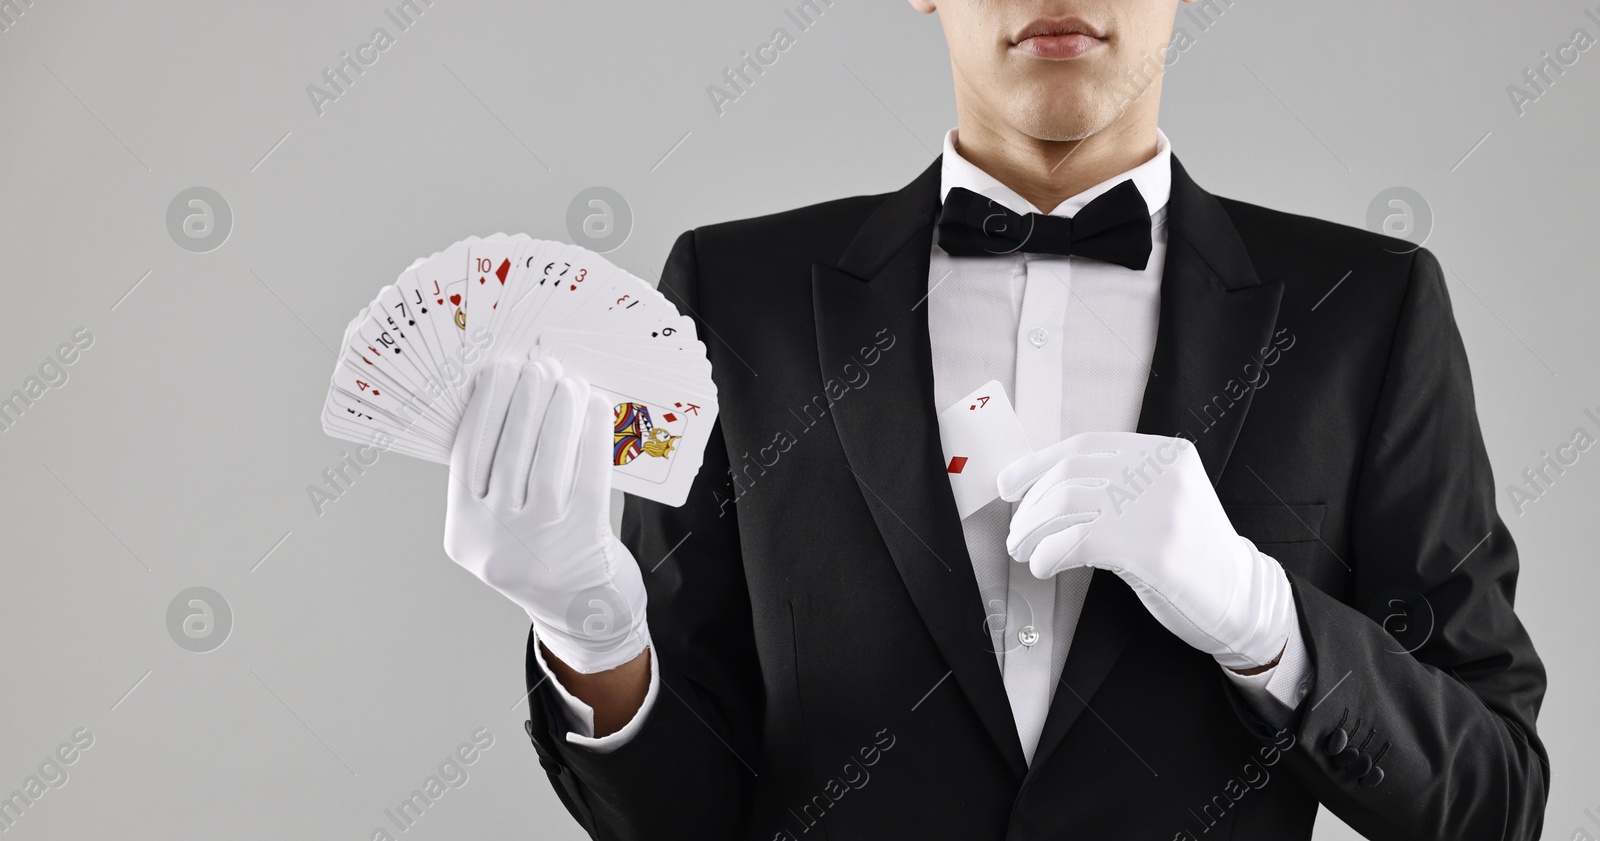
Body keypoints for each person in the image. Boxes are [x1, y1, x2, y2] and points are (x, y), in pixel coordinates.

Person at [441, 1, 1550, 838]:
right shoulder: (737, 297)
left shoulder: (1364, 308)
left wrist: (1265, 620)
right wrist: (592, 637)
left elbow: (1492, 795)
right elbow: (682, 817)